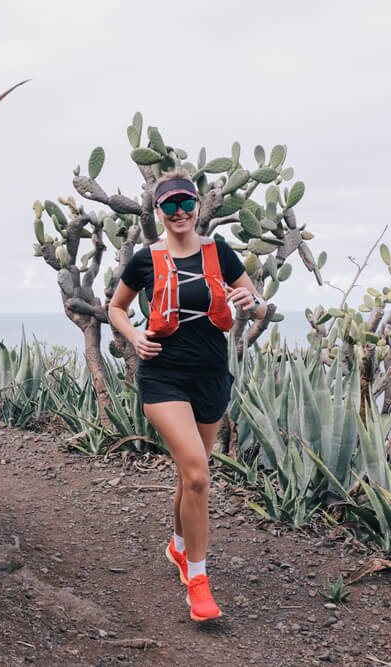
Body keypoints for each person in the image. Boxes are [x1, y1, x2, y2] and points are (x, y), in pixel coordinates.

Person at [108, 168, 267, 622]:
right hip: (163, 378)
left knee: (188, 473)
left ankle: (179, 547)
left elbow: (259, 305)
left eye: (186, 203)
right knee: (198, 475)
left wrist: (249, 304)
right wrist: (134, 336)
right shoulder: (145, 259)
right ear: (157, 211)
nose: (179, 212)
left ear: (197, 206)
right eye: (169, 205)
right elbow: (115, 308)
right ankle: (198, 581)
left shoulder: (219, 252)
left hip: (211, 376)